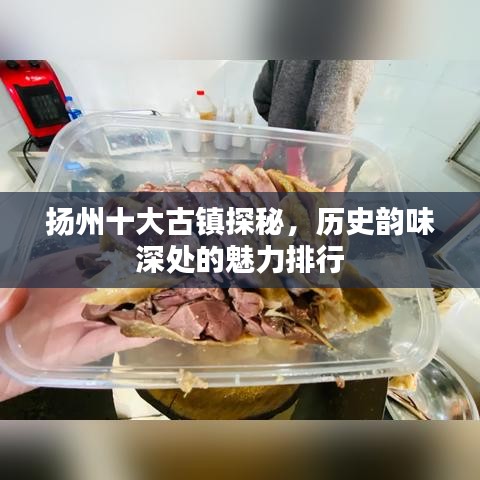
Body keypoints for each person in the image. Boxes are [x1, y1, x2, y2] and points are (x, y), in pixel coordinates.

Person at [253, 60, 374, 191]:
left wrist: (284, 126)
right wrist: (334, 177)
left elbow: (262, 97)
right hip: (311, 174)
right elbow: (332, 123)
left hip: (274, 159)